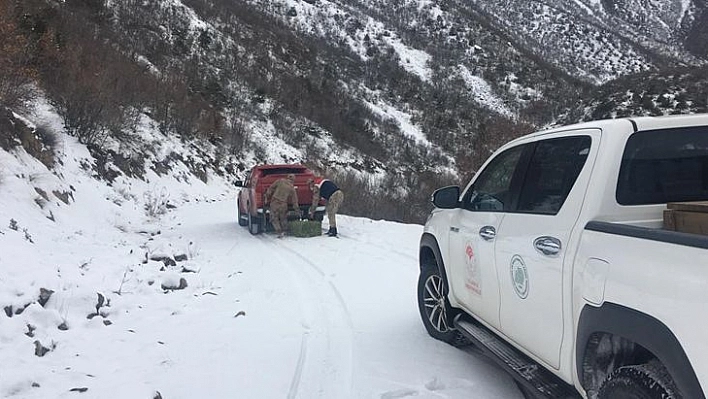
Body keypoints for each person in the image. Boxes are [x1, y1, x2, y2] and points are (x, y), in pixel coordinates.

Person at [265, 174, 299, 238]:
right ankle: (284, 230)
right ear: (293, 180)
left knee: (274, 218)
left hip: (275, 202)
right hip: (283, 204)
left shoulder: (280, 181)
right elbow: (295, 200)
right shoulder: (292, 188)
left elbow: (271, 188)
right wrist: (296, 208)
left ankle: (279, 231)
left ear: (287, 177)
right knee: (283, 217)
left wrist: (267, 196)